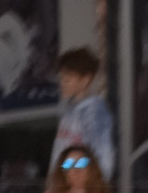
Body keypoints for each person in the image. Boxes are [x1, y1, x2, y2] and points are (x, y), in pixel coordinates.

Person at [50, 47, 116, 183]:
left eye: (68, 79)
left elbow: (102, 156)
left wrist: (91, 189)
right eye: (61, 78)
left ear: (85, 80)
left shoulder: (95, 113)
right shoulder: (68, 112)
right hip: (65, 188)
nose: (62, 83)